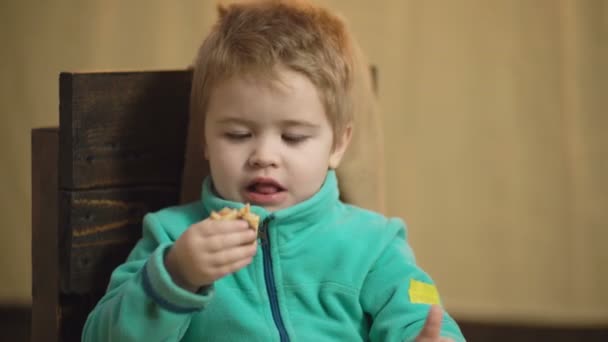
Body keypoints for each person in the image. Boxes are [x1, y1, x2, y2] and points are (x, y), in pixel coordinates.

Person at [82, 1, 465, 341]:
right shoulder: (171, 237)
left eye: (294, 137)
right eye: (238, 134)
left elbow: (421, 304)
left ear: (338, 145)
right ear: (205, 140)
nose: (264, 156)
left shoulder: (374, 243)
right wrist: (176, 276)